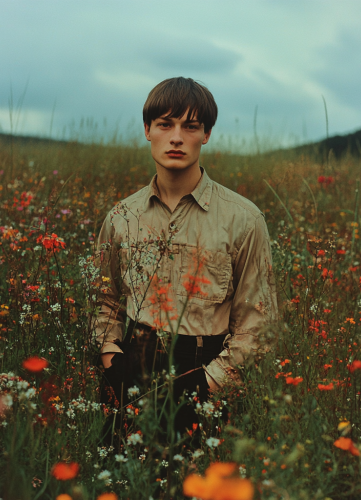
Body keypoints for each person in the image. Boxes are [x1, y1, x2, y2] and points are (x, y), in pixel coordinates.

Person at [93, 77, 277, 435]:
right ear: (147, 130)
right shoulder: (121, 217)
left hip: (206, 375)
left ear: (205, 134)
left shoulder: (244, 219)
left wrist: (206, 386)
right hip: (131, 367)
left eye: (190, 126)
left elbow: (258, 324)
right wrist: (112, 361)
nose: (176, 137)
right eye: (165, 124)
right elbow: (106, 300)